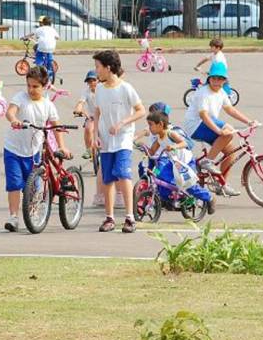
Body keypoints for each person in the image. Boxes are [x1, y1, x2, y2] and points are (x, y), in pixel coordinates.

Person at [3, 66, 70, 232]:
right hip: (13, 149)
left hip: (33, 152)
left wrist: (62, 146)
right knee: (14, 184)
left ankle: (31, 213)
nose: (31, 90)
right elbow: (10, 111)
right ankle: (14, 217)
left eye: (35, 86)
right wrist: (14, 120)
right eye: (29, 85)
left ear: (44, 86)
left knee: (33, 186)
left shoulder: (48, 105)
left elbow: (57, 127)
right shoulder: (20, 97)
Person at [182, 61, 255, 197]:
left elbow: (230, 109)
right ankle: (207, 161)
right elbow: (203, 115)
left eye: (220, 79)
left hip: (208, 123)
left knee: (231, 152)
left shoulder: (221, 92)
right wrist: (219, 131)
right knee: (228, 131)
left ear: (224, 80)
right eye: (214, 78)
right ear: (209, 78)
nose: (216, 82)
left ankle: (221, 185)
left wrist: (249, 121)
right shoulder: (203, 92)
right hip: (195, 125)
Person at [93, 50, 146, 233]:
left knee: (123, 173)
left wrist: (122, 122)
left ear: (108, 68)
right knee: (108, 178)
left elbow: (141, 110)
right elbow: (97, 112)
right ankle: (109, 217)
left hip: (123, 138)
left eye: (98, 67)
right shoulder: (99, 88)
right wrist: (95, 136)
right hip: (106, 140)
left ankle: (130, 217)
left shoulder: (126, 88)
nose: (96, 71)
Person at [144, 110, 212, 209]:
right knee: (160, 176)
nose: (149, 128)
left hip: (186, 162)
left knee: (189, 186)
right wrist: (142, 146)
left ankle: (209, 198)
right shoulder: (159, 138)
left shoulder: (170, 134)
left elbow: (184, 143)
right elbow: (152, 152)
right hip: (174, 163)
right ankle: (173, 198)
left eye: (151, 125)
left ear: (161, 124)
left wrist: (174, 146)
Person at [73, 70, 108, 207]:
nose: (92, 83)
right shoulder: (86, 91)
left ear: (98, 80)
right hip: (92, 117)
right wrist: (78, 109)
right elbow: (80, 103)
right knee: (88, 128)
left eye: (93, 80)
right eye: (89, 81)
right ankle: (89, 150)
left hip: (104, 118)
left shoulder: (102, 90)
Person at [28, 16, 59, 83]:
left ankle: (39, 67)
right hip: (51, 47)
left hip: (42, 47)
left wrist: (26, 36)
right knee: (49, 57)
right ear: (50, 23)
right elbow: (57, 37)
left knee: (38, 56)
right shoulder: (52, 29)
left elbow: (34, 35)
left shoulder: (40, 29)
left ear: (43, 23)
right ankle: (50, 66)